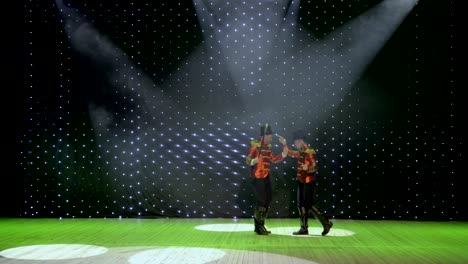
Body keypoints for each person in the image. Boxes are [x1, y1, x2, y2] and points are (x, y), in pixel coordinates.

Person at [282, 130, 333, 236]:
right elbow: (291, 153)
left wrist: (308, 168)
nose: (295, 144)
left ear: (300, 141)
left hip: (308, 182)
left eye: (296, 142)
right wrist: (284, 144)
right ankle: (304, 228)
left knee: (308, 204)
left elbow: (315, 167)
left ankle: (326, 222)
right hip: (300, 180)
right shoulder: (300, 151)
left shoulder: (309, 152)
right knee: (300, 204)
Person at [246, 124, 288, 235]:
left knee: (268, 199)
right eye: (269, 136)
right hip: (257, 177)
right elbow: (247, 160)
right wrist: (252, 161)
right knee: (262, 200)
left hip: (266, 176)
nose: (271, 138)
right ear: (264, 135)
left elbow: (273, 159)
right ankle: (259, 226)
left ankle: (259, 225)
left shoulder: (267, 147)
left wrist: (283, 153)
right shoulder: (255, 146)